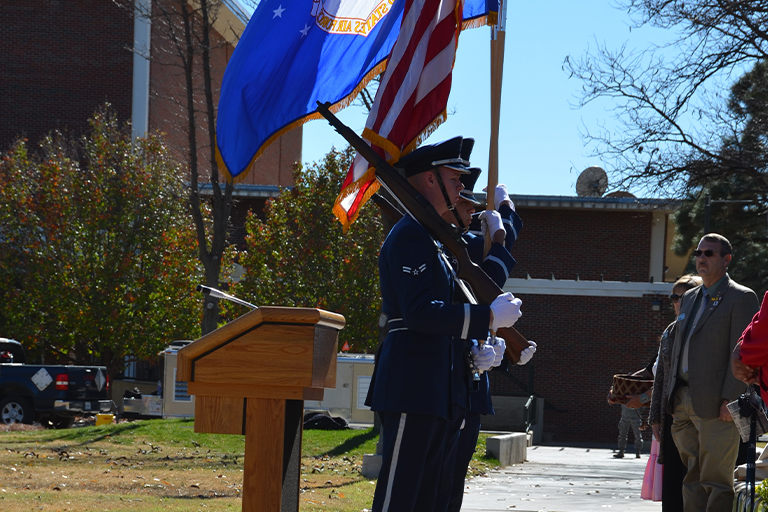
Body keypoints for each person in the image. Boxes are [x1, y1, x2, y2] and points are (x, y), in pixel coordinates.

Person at [368, 136, 524, 512]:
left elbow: (450, 308)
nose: (460, 188)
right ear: (429, 180)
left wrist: (482, 343)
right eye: (454, 179)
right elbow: (421, 312)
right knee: (400, 498)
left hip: (436, 388)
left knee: (428, 498)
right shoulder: (410, 236)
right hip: (413, 385)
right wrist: (487, 317)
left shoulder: (434, 241)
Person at [439, 171, 536, 512]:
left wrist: (496, 352)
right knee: (436, 482)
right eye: (466, 204)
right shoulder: (454, 246)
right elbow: (486, 283)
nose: (472, 210)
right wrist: (498, 231)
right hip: (442, 381)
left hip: (469, 384)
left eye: (474, 205)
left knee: (453, 483)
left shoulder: (467, 242)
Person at [664, 233, 758, 512]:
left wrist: (730, 398)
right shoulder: (690, 297)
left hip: (718, 403)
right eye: (698, 253)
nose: (701, 258)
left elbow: (743, 354)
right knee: (691, 477)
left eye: (709, 253)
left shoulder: (741, 297)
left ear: (726, 259)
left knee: (716, 480)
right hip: (682, 400)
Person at [646, 274, 701, 509]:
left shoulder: (704, 327)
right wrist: (655, 418)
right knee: (673, 478)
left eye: (685, 296)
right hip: (671, 413)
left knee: (697, 473)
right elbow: (660, 378)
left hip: (700, 412)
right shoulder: (670, 330)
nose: (678, 301)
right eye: (674, 297)